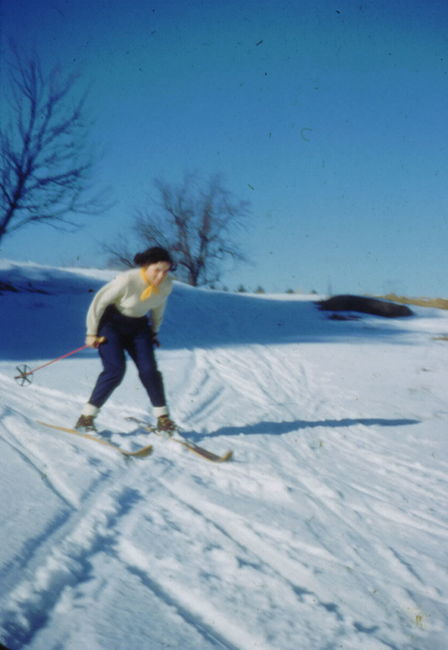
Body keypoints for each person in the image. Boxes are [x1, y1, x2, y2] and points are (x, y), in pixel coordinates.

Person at [75, 246, 176, 433]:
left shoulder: (166, 284)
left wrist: (154, 331)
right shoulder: (128, 279)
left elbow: (158, 306)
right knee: (115, 370)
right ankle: (86, 418)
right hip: (112, 324)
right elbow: (99, 302)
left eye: (166, 271)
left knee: (149, 371)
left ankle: (163, 419)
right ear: (146, 266)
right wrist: (91, 333)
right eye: (157, 270)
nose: (161, 275)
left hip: (138, 327)